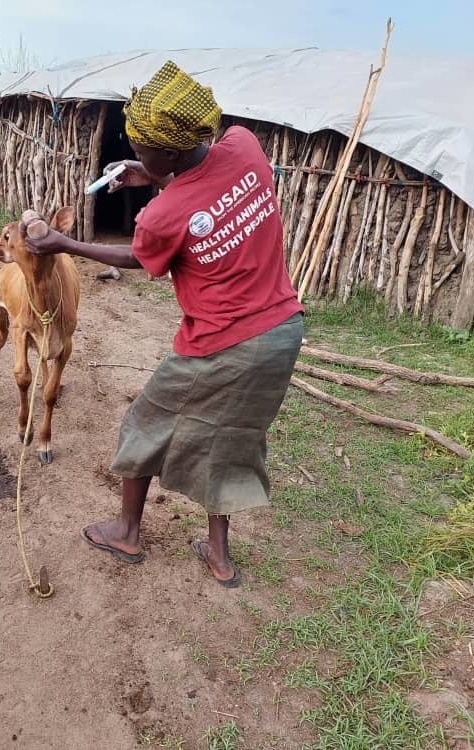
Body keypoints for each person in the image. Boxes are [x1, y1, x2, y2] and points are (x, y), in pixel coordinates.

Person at [25, 61, 304, 587]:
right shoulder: (244, 145)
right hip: (283, 332)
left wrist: (63, 243)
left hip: (224, 340)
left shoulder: (163, 214)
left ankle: (128, 531)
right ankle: (219, 557)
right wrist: (154, 174)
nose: (133, 152)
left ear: (171, 152)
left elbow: (139, 255)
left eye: (144, 146)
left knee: (145, 422)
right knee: (234, 437)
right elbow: (206, 183)